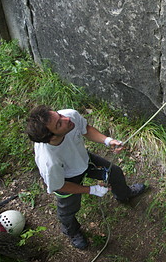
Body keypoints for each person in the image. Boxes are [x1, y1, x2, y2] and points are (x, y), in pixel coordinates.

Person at [25, 106, 146, 249]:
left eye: (58, 115)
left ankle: (124, 194)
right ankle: (71, 231)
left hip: (83, 160)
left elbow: (86, 129)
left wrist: (107, 140)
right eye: (59, 123)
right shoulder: (49, 162)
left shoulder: (69, 116)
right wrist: (91, 190)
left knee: (115, 173)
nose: (66, 119)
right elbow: (59, 185)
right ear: (51, 137)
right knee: (68, 209)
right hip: (66, 178)